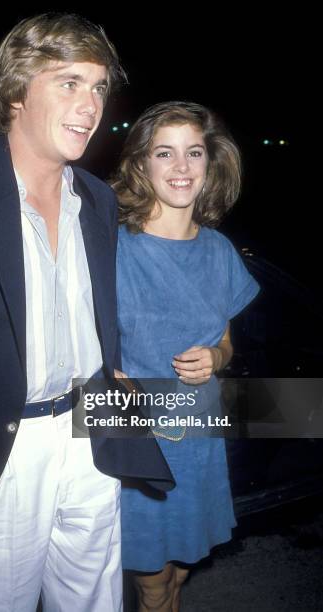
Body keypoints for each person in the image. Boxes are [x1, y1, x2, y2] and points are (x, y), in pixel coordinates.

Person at [0, 14, 173, 612]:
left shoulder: (97, 199)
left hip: (90, 437)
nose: (91, 104)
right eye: (70, 82)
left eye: (99, 86)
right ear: (18, 91)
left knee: (96, 601)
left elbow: (96, 317)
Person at [112, 101, 260, 611]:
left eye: (193, 152)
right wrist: (109, 380)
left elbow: (225, 342)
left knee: (177, 574)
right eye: (164, 153)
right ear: (142, 164)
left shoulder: (218, 250)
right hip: (140, 443)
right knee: (151, 583)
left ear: (209, 163)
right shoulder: (112, 247)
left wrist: (216, 361)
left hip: (198, 437)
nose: (181, 167)